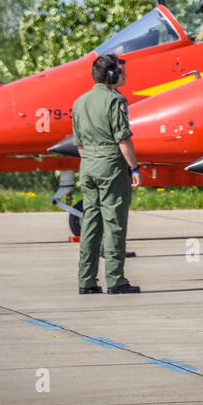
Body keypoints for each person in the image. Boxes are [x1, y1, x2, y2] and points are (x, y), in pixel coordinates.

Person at [72, 54, 142, 294]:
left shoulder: (80, 102)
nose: (125, 75)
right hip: (111, 166)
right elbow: (123, 139)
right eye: (121, 71)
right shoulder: (115, 100)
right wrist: (134, 167)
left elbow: (79, 144)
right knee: (114, 222)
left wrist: (92, 162)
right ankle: (116, 280)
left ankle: (87, 280)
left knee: (91, 223)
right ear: (111, 75)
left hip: (88, 165)